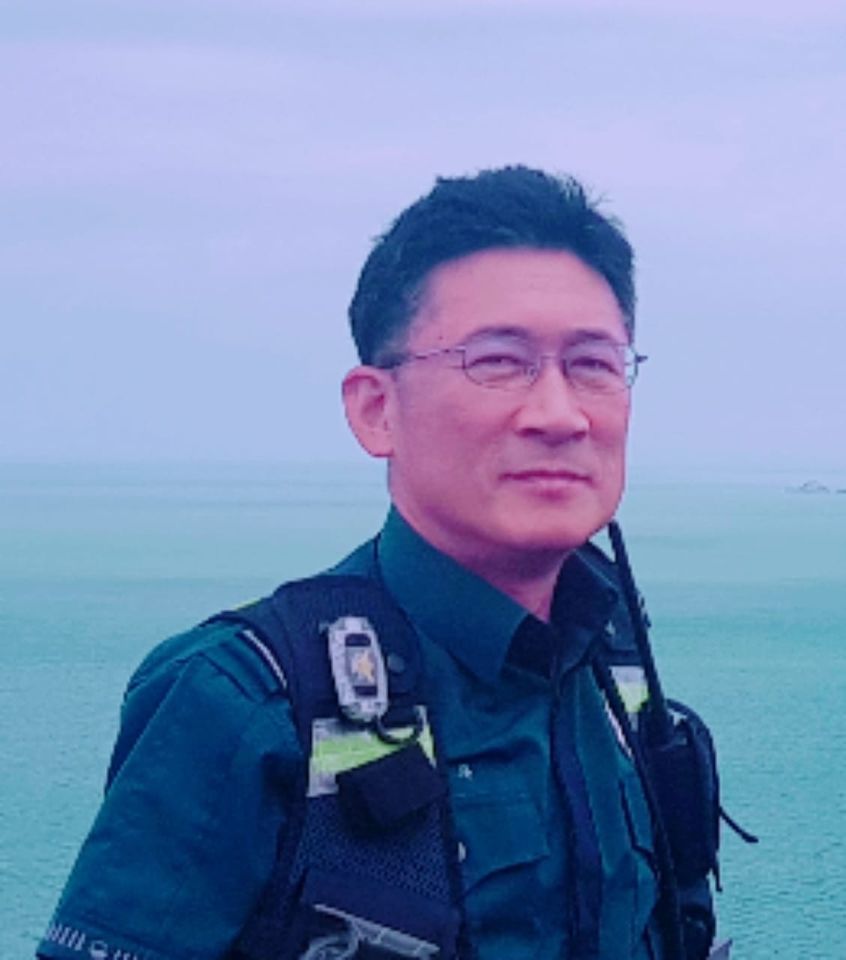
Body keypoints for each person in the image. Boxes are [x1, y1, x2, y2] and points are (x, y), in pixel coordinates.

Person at [38, 166, 702, 960]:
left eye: (592, 364)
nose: (559, 414)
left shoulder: (619, 673)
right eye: (498, 361)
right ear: (376, 409)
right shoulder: (244, 699)